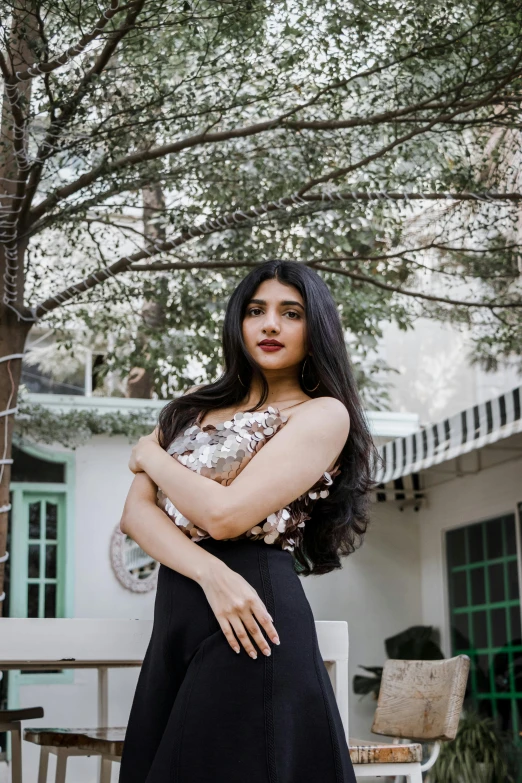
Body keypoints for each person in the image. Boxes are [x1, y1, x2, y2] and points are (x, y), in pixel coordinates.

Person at [118, 259, 379, 783]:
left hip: (254, 614)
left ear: (316, 327)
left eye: (291, 313)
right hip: (188, 604)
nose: (270, 325)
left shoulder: (321, 414)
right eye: (256, 310)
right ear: (238, 322)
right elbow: (134, 517)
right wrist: (211, 576)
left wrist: (152, 457)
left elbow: (224, 515)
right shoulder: (187, 410)